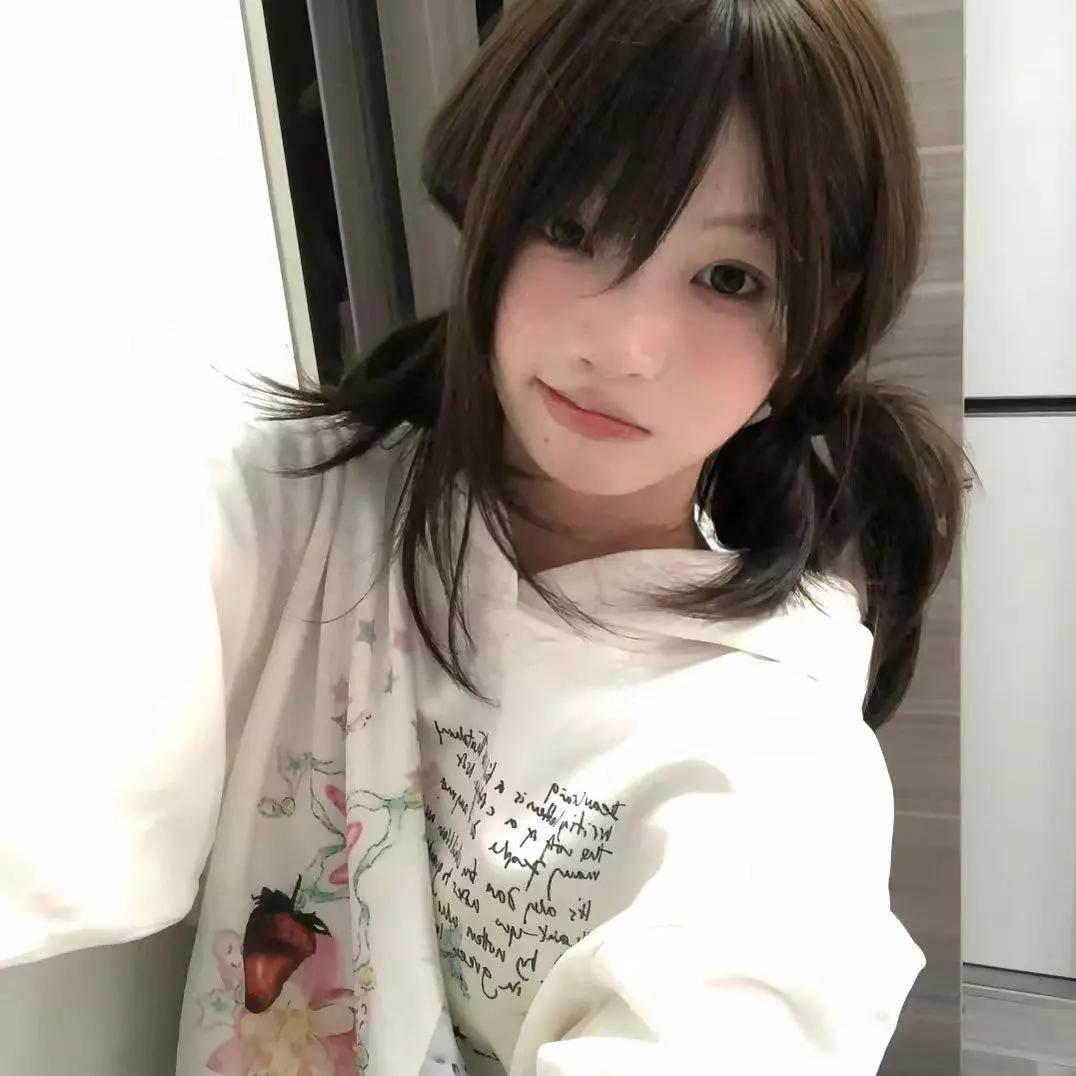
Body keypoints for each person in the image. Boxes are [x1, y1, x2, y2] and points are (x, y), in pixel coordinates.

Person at [1, 1, 965, 1073]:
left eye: (730, 278)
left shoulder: (769, 747)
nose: (625, 344)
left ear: (815, 320)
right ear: (490, 210)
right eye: (573, 228)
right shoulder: (300, 506)